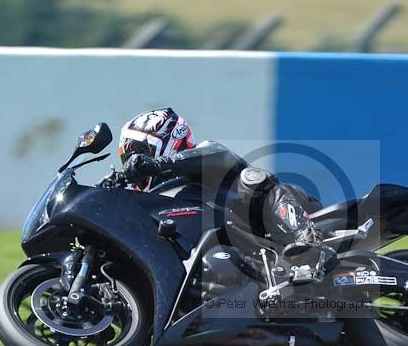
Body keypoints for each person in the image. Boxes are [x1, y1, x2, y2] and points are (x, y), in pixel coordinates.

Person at [118, 108, 335, 277]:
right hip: (233, 258)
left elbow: (218, 157)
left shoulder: (207, 154)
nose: (135, 164)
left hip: (275, 223)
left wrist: (157, 165)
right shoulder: (164, 200)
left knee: (252, 179)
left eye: (139, 155)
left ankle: (310, 241)